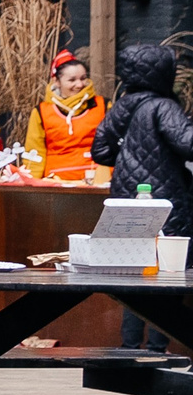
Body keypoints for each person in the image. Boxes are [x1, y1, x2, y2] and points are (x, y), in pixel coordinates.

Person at [92, 42, 193, 353]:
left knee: (134, 270)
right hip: (166, 200)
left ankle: (131, 344)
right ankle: (159, 345)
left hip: (127, 197)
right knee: (167, 271)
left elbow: (100, 150)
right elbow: (188, 143)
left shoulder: (121, 106)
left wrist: (130, 159)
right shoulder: (164, 107)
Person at [21, 52, 106, 182]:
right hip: (55, 182)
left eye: (83, 78)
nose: (80, 85)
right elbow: (35, 152)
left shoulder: (103, 106)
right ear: (57, 82)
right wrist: (32, 183)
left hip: (97, 181)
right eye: (72, 80)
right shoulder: (41, 112)